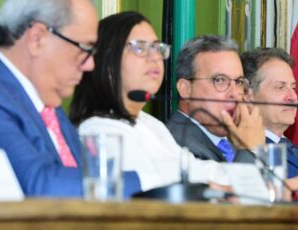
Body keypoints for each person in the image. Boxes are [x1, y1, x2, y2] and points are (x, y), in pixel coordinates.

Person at [0, 0, 141, 197]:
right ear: (37, 39)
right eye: (84, 49)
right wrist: (152, 179)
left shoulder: (49, 104)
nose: (90, 64)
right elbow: (40, 187)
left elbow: (85, 176)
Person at [69, 12, 229, 190]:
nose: (155, 57)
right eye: (140, 48)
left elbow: (194, 169)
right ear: (107, 62)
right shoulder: (98, 130)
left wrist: (246, 178)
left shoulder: (150, 124)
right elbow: (156, 186)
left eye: (157, 48)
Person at [167, 35, 264, 164]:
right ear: (185, 89)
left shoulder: (232, 145)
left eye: (239, 82)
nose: (235, 94)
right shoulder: (175, 145)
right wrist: (250, 150)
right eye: (219, 80)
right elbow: (237, 178)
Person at [241, 48, 298, 178]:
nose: (293, 97)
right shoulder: (243, 152)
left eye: (293, 88)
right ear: (248, 97)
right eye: (280, 87)